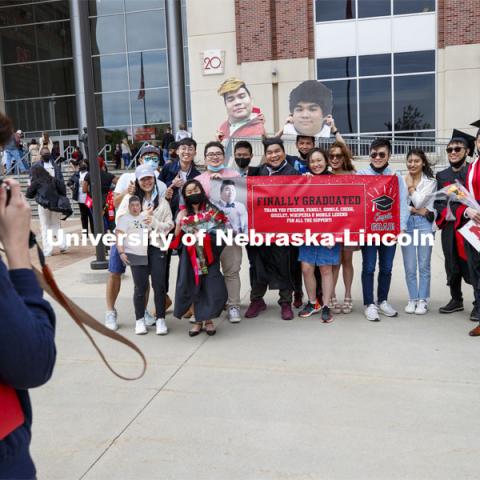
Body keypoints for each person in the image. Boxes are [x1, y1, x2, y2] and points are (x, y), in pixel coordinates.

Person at [104, 147, 167, 331]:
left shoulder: (160, 184)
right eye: (147, 157)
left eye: (155, 157)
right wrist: (128, 193)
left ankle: (144, 312)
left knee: (143, 277)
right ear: (139, 159)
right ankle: (110, 311)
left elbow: (160, 210)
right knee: (115, 272)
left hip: (148, 240)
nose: (151, 160)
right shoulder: (125, 178)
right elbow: (115, 204)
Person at [115, 166, 174, 335]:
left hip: (156, 246)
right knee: (140, 286)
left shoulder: (162, 202)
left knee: (159, 284)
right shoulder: (129, 200)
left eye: (150, 178)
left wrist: (154, 222)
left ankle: (161, 319)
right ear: (138, 182)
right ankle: (139, 320)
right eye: (143, 179)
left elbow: (169, 225)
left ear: (154, 180)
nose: (147, 182)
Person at [246, 138, 298, 321]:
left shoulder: (293, 174)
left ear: (284, 152)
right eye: (270, 152)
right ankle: (257, 300)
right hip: (260, 230)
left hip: (283, 230)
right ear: (265, 155)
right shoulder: (259, 172)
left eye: (277, 151)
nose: (274, 155)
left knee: (284, 265)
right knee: (258, 266)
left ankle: (285, 302)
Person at [357, 138, 408, 321]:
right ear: (369, 154)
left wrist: (401, 228)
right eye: (373, 154)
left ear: (389, 156)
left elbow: (403, 203)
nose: (377, 157)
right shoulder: (360, 174)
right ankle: (369, 303)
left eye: (381, 154)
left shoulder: (396, 177)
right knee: (369, 267)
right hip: (369, 231)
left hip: (389, 230)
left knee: (386, 268)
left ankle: (383, 300)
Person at [173, 179, 228, 336]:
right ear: (185, 196)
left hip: (209, 256)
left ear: (201, 191)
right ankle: (198, 321)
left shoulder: (212, 210)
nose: (193, 194)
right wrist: (179, 222)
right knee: (193, 285)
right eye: (189, 192)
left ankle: (209, 320)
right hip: (190, 257)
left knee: (210, 286)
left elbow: (222, 232)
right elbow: (176, 238)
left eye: (195, 190)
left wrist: (205, 236)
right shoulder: (183, 213)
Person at [433, 130, 475, 318]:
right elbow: (438, 202)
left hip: (470, 224)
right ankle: (456, 299)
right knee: (451, 262)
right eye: (449, 149)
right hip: (450, 225)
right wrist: (447, 211)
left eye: (457, 148)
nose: (453, 152)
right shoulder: (442, 175)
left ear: (466, 151)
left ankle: (478, 302)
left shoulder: (472, 171)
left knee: (474, 264)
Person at [298, 148, 341, 322]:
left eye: (319, 160)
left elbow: (344, 210)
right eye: (312, 161)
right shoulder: (303, 180)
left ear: (326, 161)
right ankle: (312, 302)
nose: (316, 164)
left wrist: (336, 234)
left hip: (330, 232)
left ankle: (326, 306)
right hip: (308, 231)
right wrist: (304, 184)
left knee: (325, 269)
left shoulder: (335, 181)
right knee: (306, 268)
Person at [401, 149, 437, 315]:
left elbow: (419, 200)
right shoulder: (401, 179)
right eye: (410, 161)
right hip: (406, 224)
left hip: (425, 225)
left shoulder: (430, 181)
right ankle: (412, 298)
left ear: (423, 163)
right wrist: (416, 210)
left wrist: (410, 185)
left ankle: (423, 300)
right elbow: (399, 205)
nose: (412, 164)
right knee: (409, 265)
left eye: (416, 161)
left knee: (423, 264)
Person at [455, 122, 480, 336]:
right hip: (474, 226)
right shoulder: (470, 168)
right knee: (476, 270)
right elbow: (461, 197)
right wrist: (468, 212)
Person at [328, 141, 356, 315]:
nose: (335, 159)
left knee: (347, 260)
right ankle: (331, 295)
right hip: (331, 225)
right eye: (331, 156)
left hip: (349, 224)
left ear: (344, 156)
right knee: (334, 262)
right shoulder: (324, 175)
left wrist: (335, 130)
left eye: (339, 155)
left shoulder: (353, 174)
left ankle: (347, 295)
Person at [26, 163, 71, 256]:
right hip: (56, 205)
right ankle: (63, 245)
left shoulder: (36, 182)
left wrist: (30, 185)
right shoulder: (53, 179)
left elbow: (28, 194)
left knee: (45, 226)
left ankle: (48, 249)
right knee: (56, 225)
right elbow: (63, 191)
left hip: (44, 205)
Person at [67, 159, 94, 233]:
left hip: (89, 198)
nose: (83, 164)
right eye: (81, 163)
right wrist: (72, 187)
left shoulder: (90, 173)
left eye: (84, 163)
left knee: (91, 216)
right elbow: (69, 182)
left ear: (87, 165)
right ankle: (85, 233)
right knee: (83, 217)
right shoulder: (76, 174)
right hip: (80, 199)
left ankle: (94, 233)